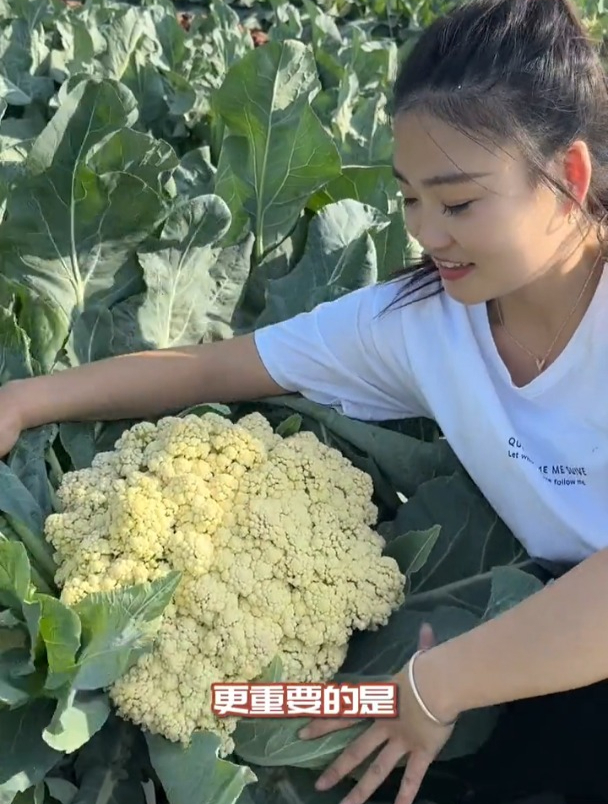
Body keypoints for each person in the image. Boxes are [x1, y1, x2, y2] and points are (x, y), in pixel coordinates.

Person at [1, 0, 607, 801]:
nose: (428, 233)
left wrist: (436, 687)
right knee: (249, 707)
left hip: (528, 655)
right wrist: (27, 396)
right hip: (527, 648)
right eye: (410, 199)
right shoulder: (425, 322)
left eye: (458, 203)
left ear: (569, 176)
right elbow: (213, 370)